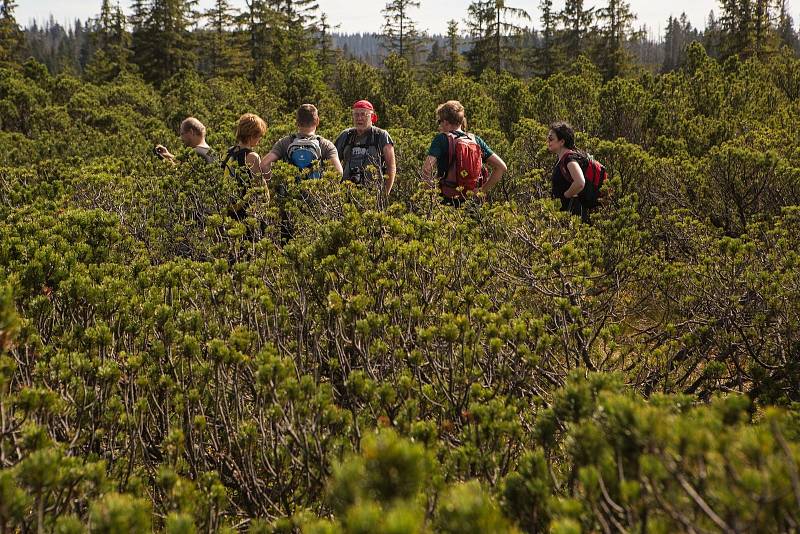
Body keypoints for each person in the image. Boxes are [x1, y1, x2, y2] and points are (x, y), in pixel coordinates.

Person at [421, 100, 506, 206]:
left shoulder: (441, 139)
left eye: (440, 121)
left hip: (447, 200)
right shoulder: (476, 140)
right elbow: (501, 167)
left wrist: (431, 197)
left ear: (446, 122)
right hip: (472, 202)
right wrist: (481, 192)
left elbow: (426, 169)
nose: (439, 125)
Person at [260, 104, 343, 181]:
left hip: (289, 194)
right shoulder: (326, 145)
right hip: (315, 195)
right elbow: (339, 173)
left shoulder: (284, 143)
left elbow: (264, 164)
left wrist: (275, 183)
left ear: (297, 122)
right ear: (317, 121)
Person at [334, 100, 396, 195]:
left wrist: (385, 194)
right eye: (356, 114)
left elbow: (391, 167)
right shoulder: (346, 135)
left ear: (372, 117)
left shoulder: (381, 135)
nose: (359, 118)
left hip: (373, 193)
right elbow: (332, 163)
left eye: (363, 114)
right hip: (346, 192)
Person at [547, 121, 598, 224]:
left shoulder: (569, 159)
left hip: (574, 215)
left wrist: (566, 195)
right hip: (567, 214)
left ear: (562, 141)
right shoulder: (561, 159)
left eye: (551, 139)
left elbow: (580, 183)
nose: (548, 141)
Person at [221, 113, 267, 220]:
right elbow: (259, 186)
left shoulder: (228, 153)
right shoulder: (252, 157)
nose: (259, 139)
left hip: (230, 211)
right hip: (247, 212)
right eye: (259, 136)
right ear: (252, 135)